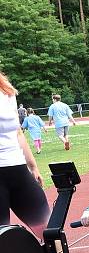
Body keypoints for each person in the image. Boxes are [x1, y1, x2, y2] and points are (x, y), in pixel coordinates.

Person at [0, 72, 50, 239]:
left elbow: (18, 133)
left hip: (18, 168)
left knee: (49, 231)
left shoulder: (7, 92)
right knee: (3, 239)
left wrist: (33, 167)